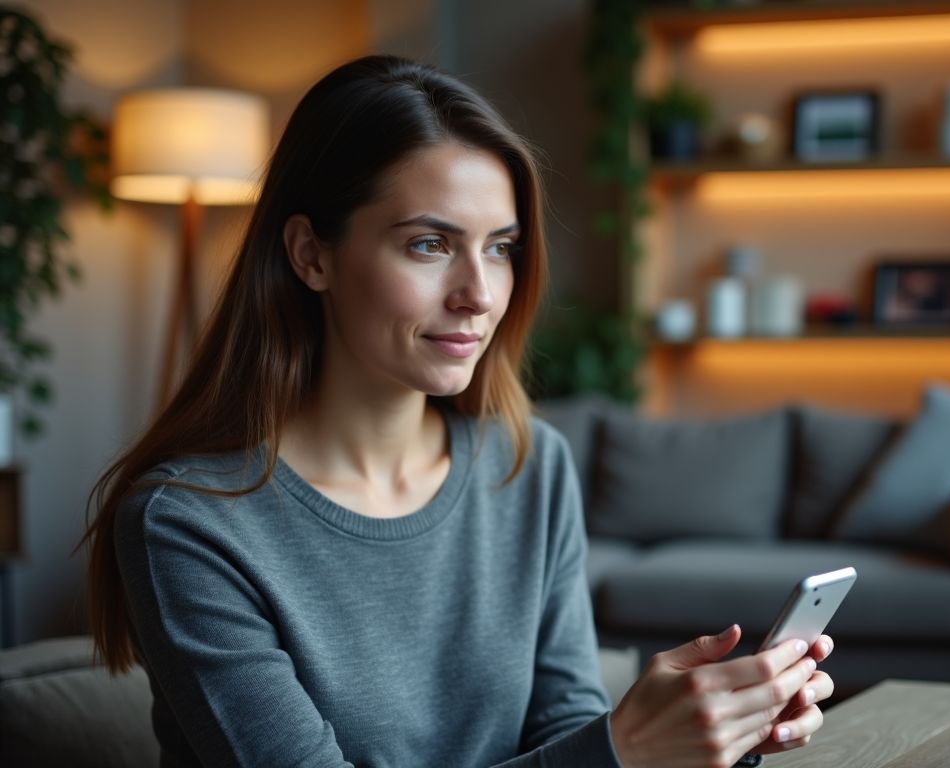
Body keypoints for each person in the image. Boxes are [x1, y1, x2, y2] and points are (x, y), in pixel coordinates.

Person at [79, 55, 834, 767]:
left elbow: (563, 732)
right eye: (430, 244)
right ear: (311, 255)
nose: (479, 293)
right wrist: (623, 749)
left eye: (500, 247)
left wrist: (709, 737)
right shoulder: (189, 522)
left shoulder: (527, 464)